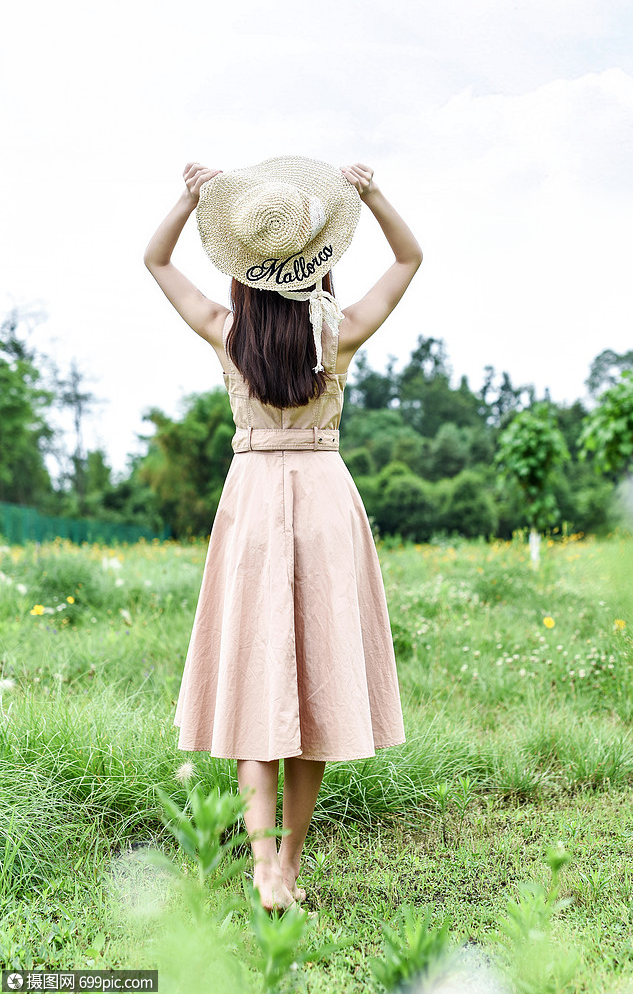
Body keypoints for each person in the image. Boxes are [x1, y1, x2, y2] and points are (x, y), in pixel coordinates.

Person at [143, 155, 423, 912]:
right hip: (326, 501)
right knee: (320, 682)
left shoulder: (227, 332)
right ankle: (289, 868)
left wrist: (189, 198)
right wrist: (370, 193)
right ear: (318, 260)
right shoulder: (341, 332)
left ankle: (263, 866)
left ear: (246, 267)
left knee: (257, 682)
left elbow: (155, 259)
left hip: (253, 503)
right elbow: (409, 257)